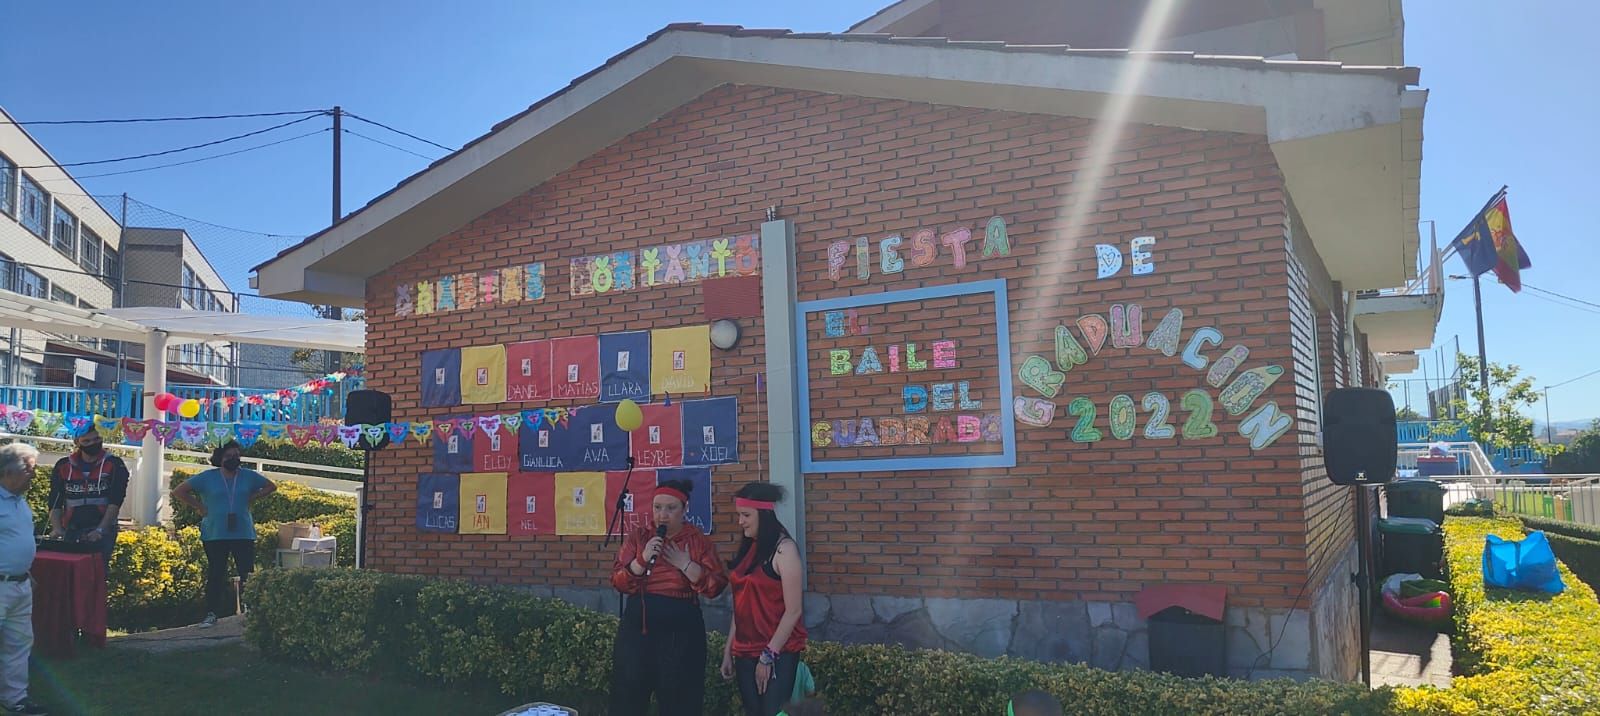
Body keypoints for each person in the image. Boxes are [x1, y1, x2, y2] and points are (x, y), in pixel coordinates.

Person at [608, 479, 727, 716]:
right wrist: (640, 561)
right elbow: (618, 581)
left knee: (680, 701)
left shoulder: (698, 541)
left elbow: (716, 586)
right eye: (657, 507)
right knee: (627, 698)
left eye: (671, 508)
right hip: (638, 631)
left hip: (681, 635)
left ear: (685, 509)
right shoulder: (639, 537)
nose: (662, 515)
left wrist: (686, 565)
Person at [721, 482, 806, 716]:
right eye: (739, 515)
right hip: (744, 652)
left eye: (746, 515)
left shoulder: (784, 550)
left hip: (777, 653)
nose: (741, 522)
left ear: (765, 514)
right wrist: (729, 649)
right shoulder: (749, 548)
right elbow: (741, 605)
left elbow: (793, 611)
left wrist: (768, 656)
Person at [170, 441, 275, 628]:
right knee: (216, 573)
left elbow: (270, 486)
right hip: (215, 532)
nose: (233, 459)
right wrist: (199, 507)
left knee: (247, 573)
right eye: (228, 456)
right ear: (220, 458)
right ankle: (211, 613)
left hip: (242, 532)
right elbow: (179, 491)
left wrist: (252, 497)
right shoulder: (207, 477)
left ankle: (250, 610)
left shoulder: (248, 476)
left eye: (237, 455)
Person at [0, 443, 47, 714]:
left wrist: (26, 572)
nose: (34, 474)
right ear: (11, 471)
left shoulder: (20, 502)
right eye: (30, 468)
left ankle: (14, 699)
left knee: (19, 643)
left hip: (20, 584)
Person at [47, 428, 130, 568]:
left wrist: (100, 530)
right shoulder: (63, 465)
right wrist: (57, 528)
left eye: (97, 439)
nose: (93, 443)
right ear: (77, 442)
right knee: (68, 573)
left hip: (102, 529)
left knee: (97, 573)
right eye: (87, 441)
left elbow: (116, 501)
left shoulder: (115, 464)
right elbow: (55, 498)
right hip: (71, 528)